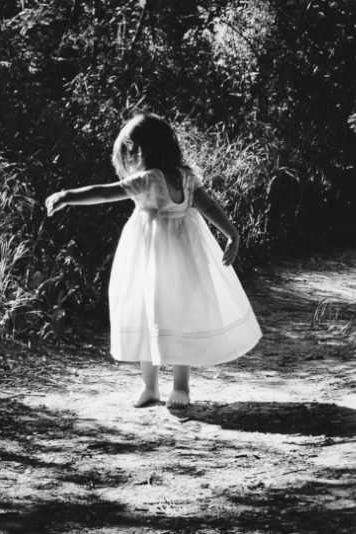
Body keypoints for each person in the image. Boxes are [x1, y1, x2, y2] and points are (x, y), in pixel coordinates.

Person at [45, 112, 261, 408]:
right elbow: (207, 206)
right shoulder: (176, 177)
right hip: (160, 259)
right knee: (154, 313)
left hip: (167, 258)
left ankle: (177, 388)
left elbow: (106, 193)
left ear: (139, 150)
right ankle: (154, 387)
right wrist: (231, 233)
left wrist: (67, 195)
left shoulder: (163, 178)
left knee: (168, 315)